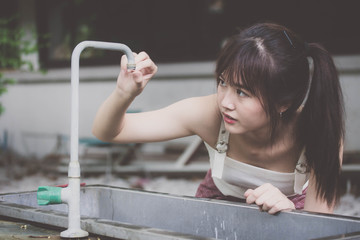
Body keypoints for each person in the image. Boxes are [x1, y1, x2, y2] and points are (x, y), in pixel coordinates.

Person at [92, 22, 344, 215]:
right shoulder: (208, 113)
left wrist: (288, 212)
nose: (225, 102)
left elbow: (320, 228)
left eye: (242, 92)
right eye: (223, 82)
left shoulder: (319, 131)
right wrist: (123, 94)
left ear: (283, 103)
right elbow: (109, 132)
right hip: (216, 209)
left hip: (291, 214)